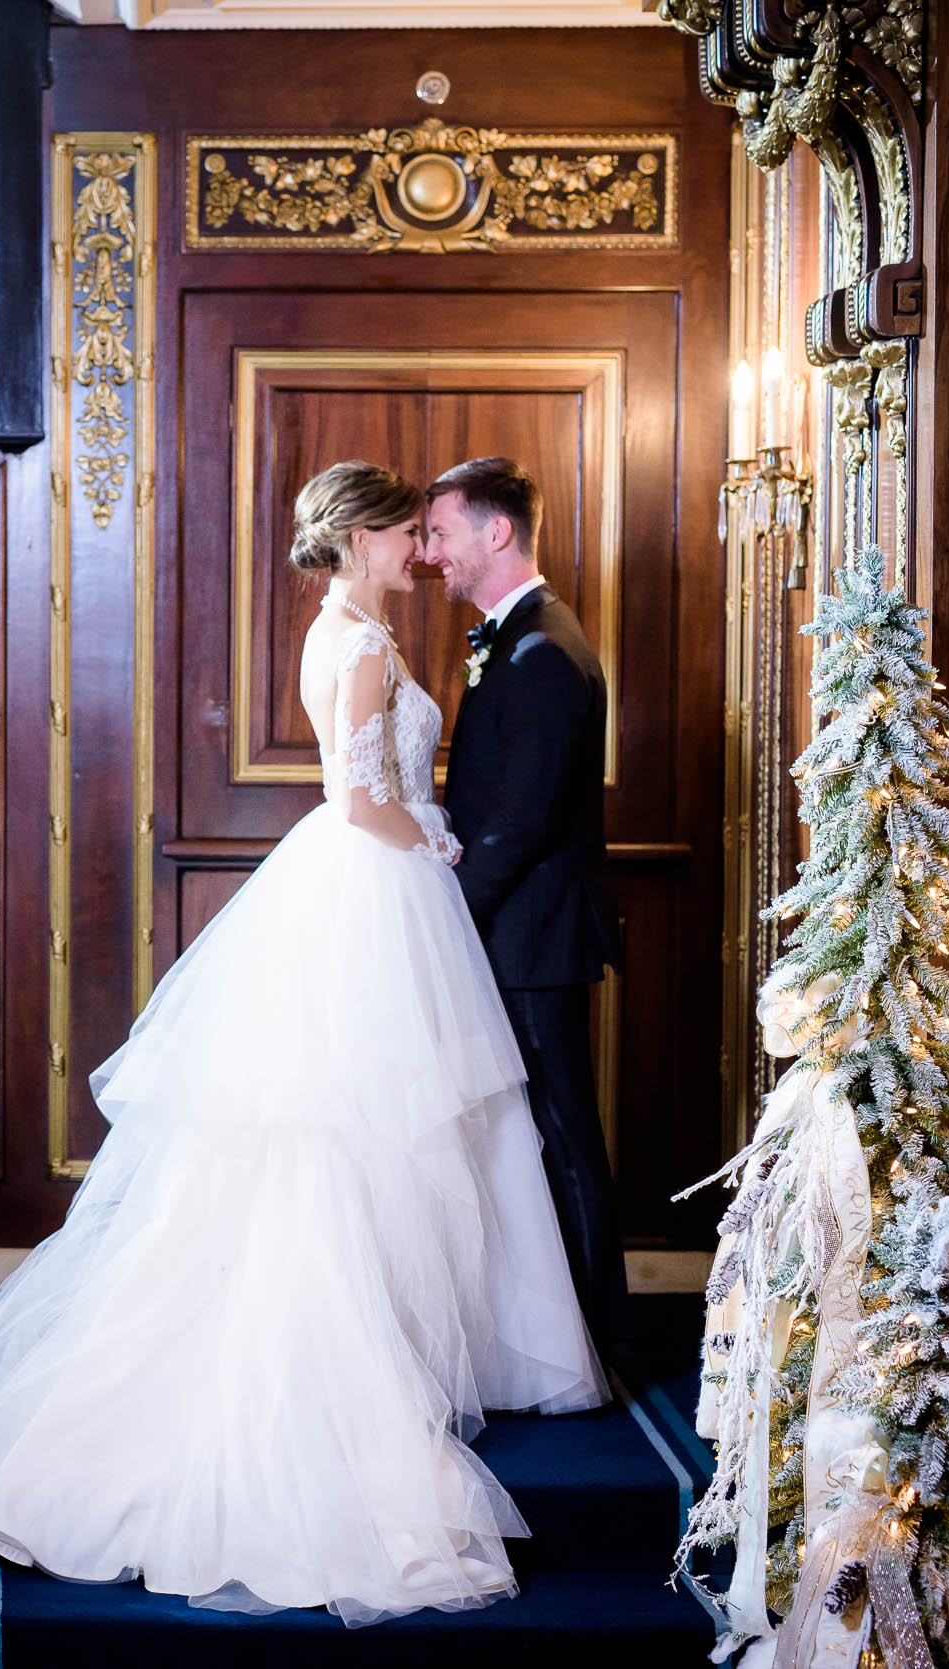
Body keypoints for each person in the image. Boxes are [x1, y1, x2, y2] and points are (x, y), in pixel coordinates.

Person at [0, 461, 603, 1626]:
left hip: (363, 884)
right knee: (365, 1130)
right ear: (362, 537)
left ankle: (421, 1337)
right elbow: (359, 796)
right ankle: (346, 1356)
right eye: (407, 532)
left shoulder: (351, 624)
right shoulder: (359, 643)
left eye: (431, 533)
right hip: (377, 880)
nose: (422, 549)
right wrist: (435, 844)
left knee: (395, 1129)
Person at [423, 456, 628, 1349]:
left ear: (494, 530)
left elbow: (522, 818)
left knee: (563, 1127)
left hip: (533, 938)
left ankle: (604, 1338)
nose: (432, 554)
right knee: (537, 1130)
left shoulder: (545, 646)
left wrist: (445, 913)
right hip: (517, 932)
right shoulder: (520, 636)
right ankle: (557, 1326)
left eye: (441, 532)